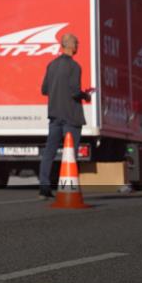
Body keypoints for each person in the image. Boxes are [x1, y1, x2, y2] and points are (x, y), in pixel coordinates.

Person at [38, 33, 92, 199]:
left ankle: (44, 189)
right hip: (71, 116)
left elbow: (44, 90)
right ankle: (69, 189)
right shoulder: (75, 67)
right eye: (77, 43)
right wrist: (86, 95)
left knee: (49, 152)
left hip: (54, 116)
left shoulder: (51, 65)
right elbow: (75, 91)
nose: (78, 46)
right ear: (71, 46)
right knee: (70, 155)